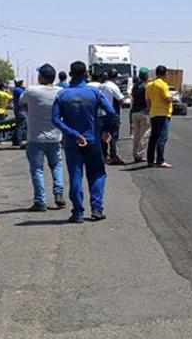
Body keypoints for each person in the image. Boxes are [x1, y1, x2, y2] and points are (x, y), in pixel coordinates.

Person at [52, 61, 116, 223]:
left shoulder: (62, 95)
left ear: (70, 74)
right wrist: (105, 129)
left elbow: (55, 119)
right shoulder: (94, 93)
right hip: (92, 139)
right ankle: (96, 209)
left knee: (75, 176)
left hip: (72, 141)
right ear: (86, 74)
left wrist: (73, 134)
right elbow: (111, 112)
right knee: (97, 173)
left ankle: (78, 212)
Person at [22, 64, 65, 211]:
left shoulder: (31, 91)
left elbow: (22, 102)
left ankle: (40, 201)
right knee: (56, 166)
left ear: (41, 77)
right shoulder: (60, 92)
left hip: (35, 137)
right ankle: (58, 193)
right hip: (55, 136)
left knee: (37, 169)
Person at [145, 65, 174, 168]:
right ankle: (160, 160)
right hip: (163, 113)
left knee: (153, 137)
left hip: (153, 113)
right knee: (162, 137)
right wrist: (172, 98)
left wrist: (150, 110)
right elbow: (167, 98)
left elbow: (147, 100)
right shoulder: (163, 85)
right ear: (165, 74)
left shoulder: (149, 85)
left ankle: (150, 160)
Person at [100, 69, 126, 164]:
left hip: (101, 113)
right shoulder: (113, 86)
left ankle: (104, 155)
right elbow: (121, 99)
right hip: (111, 113)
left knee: (103, 134)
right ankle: (113, 155)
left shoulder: (102, 85)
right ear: (115, 77)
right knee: (113, 135)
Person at [129, 68, 150, 163]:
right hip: (144, 112)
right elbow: (148, 99)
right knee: (144, 135)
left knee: (136, 135)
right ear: (146, 76)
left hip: (134, 112)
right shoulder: (147, 86)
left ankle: (135, 154)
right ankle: (139, 155)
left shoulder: (135, 86)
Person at [11, 79, 26, 147]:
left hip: (17, 109)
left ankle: (15, 140)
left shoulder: (15, 89)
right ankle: (18, 140)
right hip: (21, 109)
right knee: (21, 125)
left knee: (18, 125)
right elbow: (24, 98)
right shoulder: (20, 90)